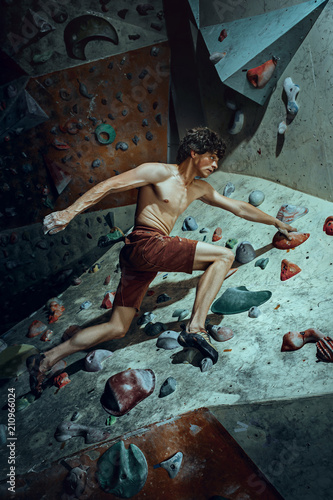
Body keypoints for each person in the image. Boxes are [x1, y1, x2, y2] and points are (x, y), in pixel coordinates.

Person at [27, 127, 296, 395]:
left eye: (218, 160)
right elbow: (110, 185)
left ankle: (47, 358)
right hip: (145, 243)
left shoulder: (199, 188)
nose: (216, 164)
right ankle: (195, 327)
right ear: (194, 152)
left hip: (141, 258)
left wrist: (275, 221)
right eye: (212, 157)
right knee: (224, 255)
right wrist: (68, 213)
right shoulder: (158, 172)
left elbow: (238, 206)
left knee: (118, 327)